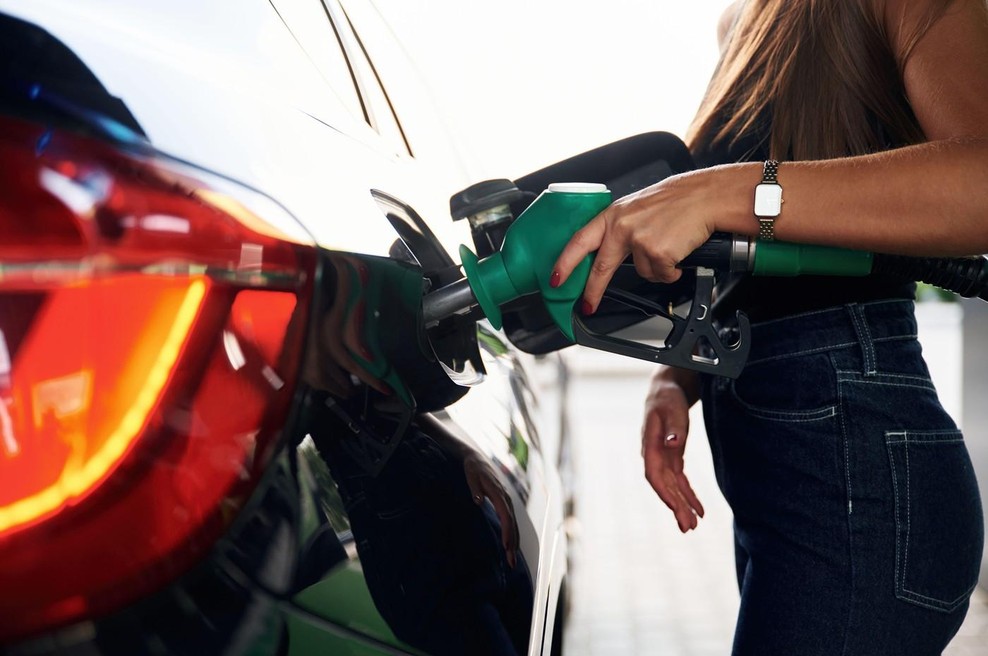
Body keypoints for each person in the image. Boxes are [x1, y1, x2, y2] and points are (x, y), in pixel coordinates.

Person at [552, 0, 988, 654]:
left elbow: (979, 185)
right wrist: (676, 376)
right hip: (790, 481)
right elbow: (747, 259)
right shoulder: (744, 22)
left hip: (860, 482)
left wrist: (718, 193)